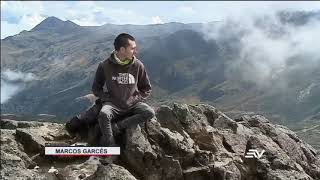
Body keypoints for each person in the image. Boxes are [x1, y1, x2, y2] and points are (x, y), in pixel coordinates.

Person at [66, 33, 155, 147]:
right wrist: (107, 98)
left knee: (149, 112)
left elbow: (146, 88)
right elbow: (96, 88)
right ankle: (110, 147)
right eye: (132, 48)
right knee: (103, 114)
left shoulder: (138, 65)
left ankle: (118, 127)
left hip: (133, 104)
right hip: (113, 105)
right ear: (122, 49)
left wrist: (135, 98)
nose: (135, 51)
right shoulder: (104, 65)